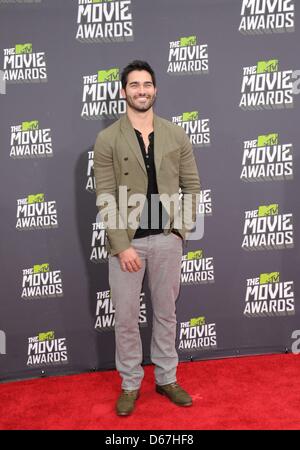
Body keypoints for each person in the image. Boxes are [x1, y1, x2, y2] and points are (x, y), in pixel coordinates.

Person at [93, 60, 200, 416]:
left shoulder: (175, 134)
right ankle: (130, 383)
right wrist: (122, 246)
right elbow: (105, 196)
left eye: (147, 85)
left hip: (167, 240)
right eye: (135, 85)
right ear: (123, 91)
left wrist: (180, 232)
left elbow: (192, 186)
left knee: (167, 314)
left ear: (155, 89)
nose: (142, 90)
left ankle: (167, 377)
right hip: (128, 244)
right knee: (125, 317)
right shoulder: (107, 138)